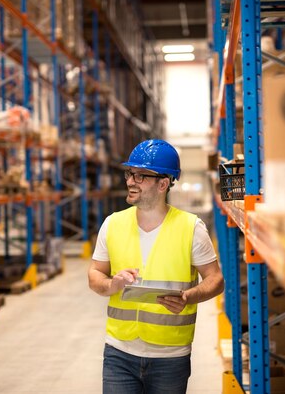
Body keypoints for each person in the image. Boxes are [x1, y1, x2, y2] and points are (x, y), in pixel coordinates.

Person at [88, 139, 225, 394]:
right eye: (130, 173)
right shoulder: (112, 224)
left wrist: (188, 297)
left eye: (141, 176)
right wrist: (112, 284)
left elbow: (216, 279)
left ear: (163, 184)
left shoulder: (191, 228)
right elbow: (95, 274)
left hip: (170, 356)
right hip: (119, 351)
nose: (130, 181)